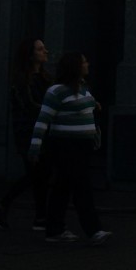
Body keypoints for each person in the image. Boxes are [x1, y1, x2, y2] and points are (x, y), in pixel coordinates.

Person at [28, 53, 111, 246]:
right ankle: (93, 229)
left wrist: (94, 107)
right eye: (84, 61)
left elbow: (86, 106)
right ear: (75, 67)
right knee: (81, 185)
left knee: (63, 187)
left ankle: (54, 229)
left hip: (82, 146)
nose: (87, 64)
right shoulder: (56, 91)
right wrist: (35, 146)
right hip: (65, 145)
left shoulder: (83, 88)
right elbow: (44, 119)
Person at [0, 38, 52, 231]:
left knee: (40, 174)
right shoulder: (22, 80)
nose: (45, 52)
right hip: (27, 132)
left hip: (40, 131)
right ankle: (4, 205)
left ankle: (39, 217)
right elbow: (29, 106)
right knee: (36, 173)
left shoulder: (43, 78)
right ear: (30, 54)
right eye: (40, 49)